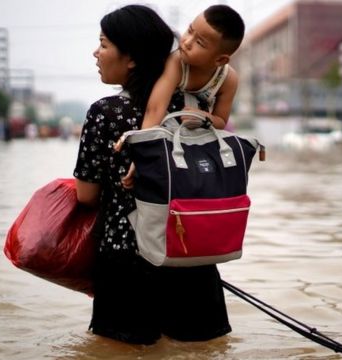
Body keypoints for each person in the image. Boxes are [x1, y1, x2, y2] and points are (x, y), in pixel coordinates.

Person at [73, 4, 231, 345]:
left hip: (125, 262)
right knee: (203, 351)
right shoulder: (196, 110)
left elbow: (86, 195)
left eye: (103, 44)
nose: (96, 53)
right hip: (192, 258)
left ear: (130, 58)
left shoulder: (105, 112)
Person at [141, 4, 245, 130]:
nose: (187, 42)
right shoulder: (177, 62)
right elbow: (154, 110)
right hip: (164, 127)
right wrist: (144, 145)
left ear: (220, 60)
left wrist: (203, 118)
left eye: (199, 42)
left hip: (196, 138)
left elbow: (222, 121)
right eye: (190, 31)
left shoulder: (227, 79)